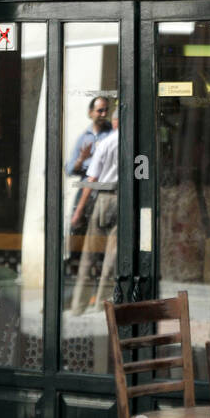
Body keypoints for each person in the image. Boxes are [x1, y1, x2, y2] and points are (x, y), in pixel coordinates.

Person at [69, 108, 119, 315]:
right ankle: (102, 304)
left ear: (115, 121)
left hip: (103, 199)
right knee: (112, 257)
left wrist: (78, 211)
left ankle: (78, 306)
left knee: (89, 254)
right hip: (122, 199)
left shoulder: (106, 142)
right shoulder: (136, 142)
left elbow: (92, 180)